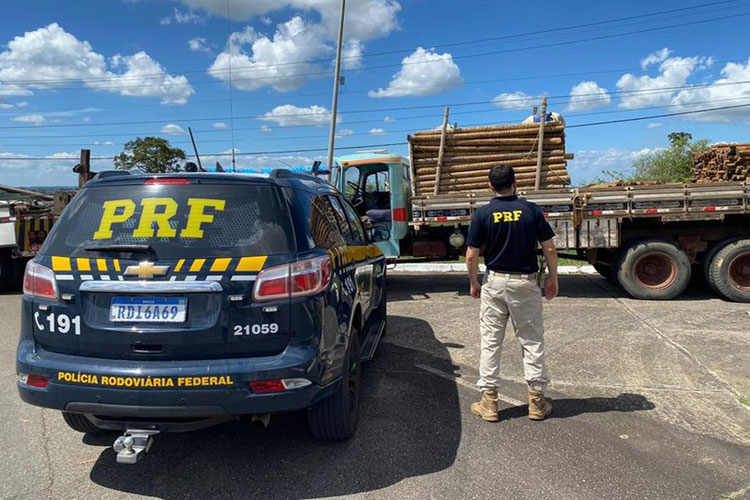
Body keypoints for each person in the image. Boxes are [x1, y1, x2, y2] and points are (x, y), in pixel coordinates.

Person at [465, 164, 559, 422]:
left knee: (491, 341)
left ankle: (490, 403)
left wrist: (474, 283)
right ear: (515, 182)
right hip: (525, 284)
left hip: (495, 282)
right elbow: (549, 249)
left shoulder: (483, 214)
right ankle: (537, 402)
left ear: (490, 186)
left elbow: (472, 254)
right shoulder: (530, 210)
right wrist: (553, 278)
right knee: (531, 340)